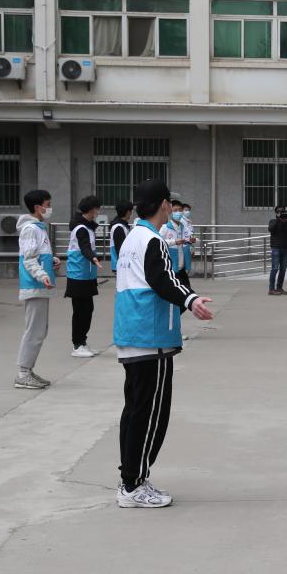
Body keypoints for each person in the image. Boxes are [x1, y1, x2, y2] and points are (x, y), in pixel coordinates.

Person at [113, 179, 214, 508]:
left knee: (135, 411)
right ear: (164, 205)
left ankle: (131, 478)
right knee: (150, 414)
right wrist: (191, 299)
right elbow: (164, 281)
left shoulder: (132, 238)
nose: (172, 208)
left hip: (132, 334)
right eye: (170, 203)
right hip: (150, 337)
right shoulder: (153, 241)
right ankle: (133, 486)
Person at [14, 189, 61, 388]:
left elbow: (38, 256)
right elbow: (29, 259)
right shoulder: (30, 229)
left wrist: (52, 262)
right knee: (34, 331)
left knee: (40, 330)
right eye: (47, 204)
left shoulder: (39, 228)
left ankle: (28, 371)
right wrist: (42, 275)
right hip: (34, 286)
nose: (50, 208)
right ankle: (23, 373)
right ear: (37, 207)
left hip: (40, 286)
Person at [66, 195, 103, 358]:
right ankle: (77, 345)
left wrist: (92, 258)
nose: (98, 211)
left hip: (86, 275)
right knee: (80, 311)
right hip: (78, 276)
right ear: (92, 209)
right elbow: (85, 247)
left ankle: (82, 342)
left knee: (87, 310)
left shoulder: (87, 227)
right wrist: (93, 257)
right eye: (97, 208)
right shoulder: (81, 228)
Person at [161, 200, 192, 289]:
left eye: (180, 210)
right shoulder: (165, 228)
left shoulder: (183, 227)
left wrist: (192, 240)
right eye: (175, 210)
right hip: (171, 267)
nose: (178, 212)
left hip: (181, 266)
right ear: (170, 212)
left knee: (187, 289)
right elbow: (159, 242)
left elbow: (190, 237)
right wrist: (174, 241)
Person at [268, 206, 287, 296]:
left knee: (283, 269)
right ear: (276, 213)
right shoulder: (273, 221)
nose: (280, 213)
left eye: (282, 211)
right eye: (278, 212)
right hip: (275, 247)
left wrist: (284, 222)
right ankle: (271, 289)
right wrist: (278, 220)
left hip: (285, 248)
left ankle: (279, 288)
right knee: (275, 268)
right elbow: (271, 229)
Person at [109, 201, 134, 275]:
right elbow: (121, 249)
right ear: (128, 212)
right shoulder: (119, 227)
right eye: (131, 211)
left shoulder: (122, 226)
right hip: (121, 264)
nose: (131, 213)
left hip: (121, 264)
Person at [180, 202, 196, 275]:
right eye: (186, 210)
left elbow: (191, 233)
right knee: (183, 265)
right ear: (182, 211)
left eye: (189, 210)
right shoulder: (181, 221)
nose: (188, 212)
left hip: (189, 244)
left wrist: (193, 246)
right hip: (183, 244)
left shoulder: (188, 221)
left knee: (188, 265)